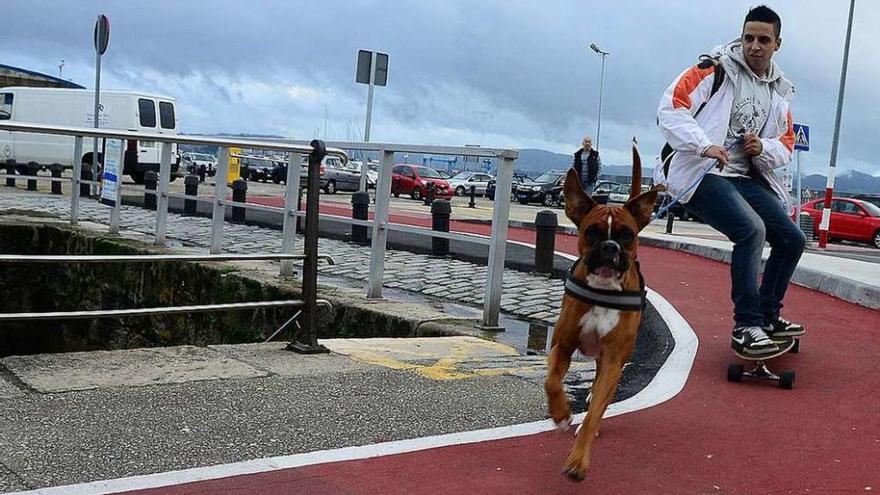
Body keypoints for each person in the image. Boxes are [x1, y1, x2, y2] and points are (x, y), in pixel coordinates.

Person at [656, 5, 806, 358]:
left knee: (792, 238)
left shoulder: (779, 93)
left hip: (744, 176)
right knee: (751, 230)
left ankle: (768, 317)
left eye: (763, 40)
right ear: (741, 38)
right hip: (702, 172)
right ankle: (746, 325)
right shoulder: (713, 70)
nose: (755, 45)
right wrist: (704, 144)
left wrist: (762, 146)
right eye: (749, 38)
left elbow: (786, 144)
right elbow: (671, 107)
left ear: (777, 44)